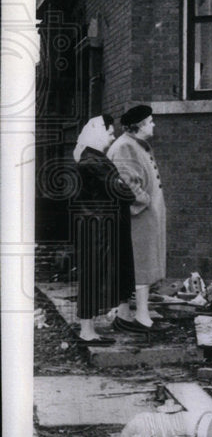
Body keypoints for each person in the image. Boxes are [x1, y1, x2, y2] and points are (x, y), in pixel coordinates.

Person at [72, 115, 136, 345]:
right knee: (93, 275)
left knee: (96, 274)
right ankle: (87, 331)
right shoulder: (93, 162)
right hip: (99, 229)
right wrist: (124, 188)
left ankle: (90, 328)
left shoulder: (92, 158)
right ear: (99, 132)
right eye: (109, 132)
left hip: (98, 226)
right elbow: (124, 193)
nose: (112, 137)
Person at [107, 104, 167, 333]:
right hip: (138, 220)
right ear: (139, 126)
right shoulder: (125, 147)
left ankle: (124, 316)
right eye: (150, 122)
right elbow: (126, 183)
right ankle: (142, 317)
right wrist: (146, 201)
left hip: (143, 220)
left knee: (140, 267)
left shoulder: (134, 145)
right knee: (142, 268)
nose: (153, 125)